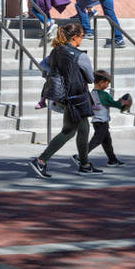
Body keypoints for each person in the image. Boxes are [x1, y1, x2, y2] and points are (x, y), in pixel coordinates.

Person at [29, 25, 99, 179]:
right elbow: (91, 78)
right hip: (77, 97)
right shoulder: (80, 56)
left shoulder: (57, 50)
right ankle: (41, 160)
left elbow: (43, 65)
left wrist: (58, 74)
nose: (82, 38)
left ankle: (84, 164)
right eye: (81, 35)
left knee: (84, 128)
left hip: (62, 95)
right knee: (69, 131)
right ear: (74, 37)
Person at [92, 69, 132, 167]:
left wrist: (117, 102)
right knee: (97, 140)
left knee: (107, 142)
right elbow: (114, 104)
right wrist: (123, 102)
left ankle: (113, 160)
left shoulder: (93, 93)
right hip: (102, 121)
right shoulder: (104, 94)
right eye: (107, 83)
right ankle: (81, 157)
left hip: (97, 121)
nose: (108, 86)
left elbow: (102, 104)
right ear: (101, 83)